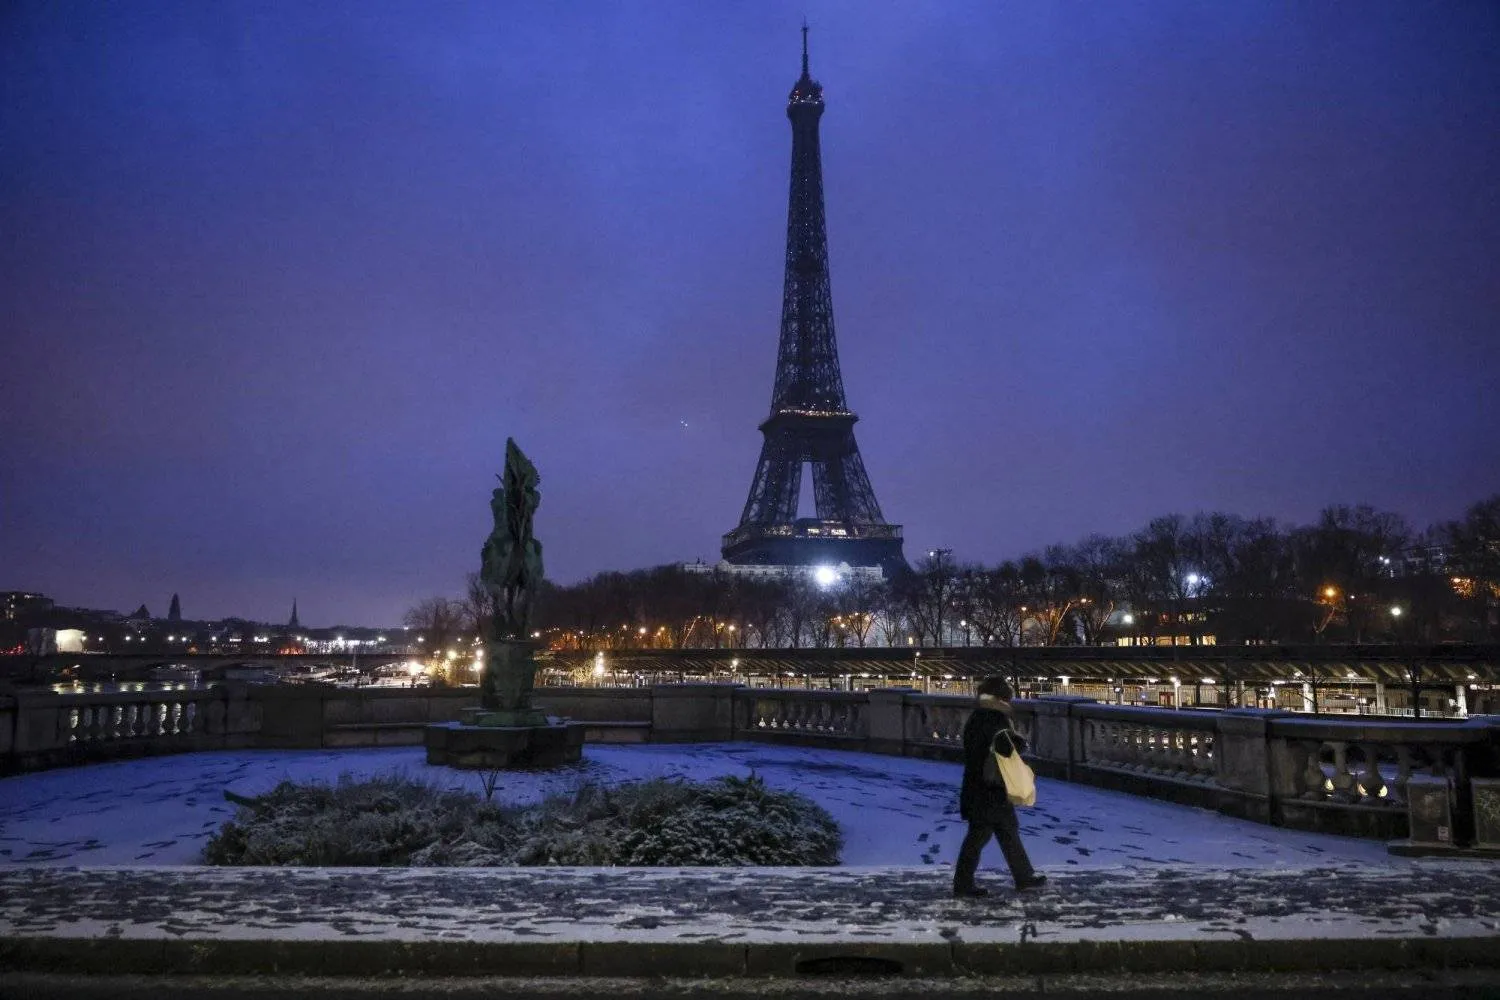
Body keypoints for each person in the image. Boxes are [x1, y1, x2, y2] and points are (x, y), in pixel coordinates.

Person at [953, 677, 1046, 897]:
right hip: (990, 789)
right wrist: (1020, 742)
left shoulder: (977, 716)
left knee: (1006, 831)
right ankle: (963, 885)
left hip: (980, 787)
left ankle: (1023, 876)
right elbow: (1005, 747)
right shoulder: (995, 718)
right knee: (980, 837)